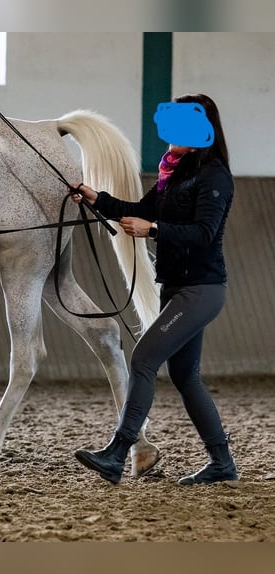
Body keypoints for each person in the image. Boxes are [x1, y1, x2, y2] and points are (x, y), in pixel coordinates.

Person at [71, 93, 238, 486]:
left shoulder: (215, 176)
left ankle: (117, 452)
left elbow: (203, 233)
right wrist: (99, 200)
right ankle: (222, 462)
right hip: (177, 287)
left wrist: (155, 231)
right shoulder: (174, 173)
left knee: (144, 358)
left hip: (201, 290)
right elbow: (143, 210)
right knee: (186, 377)